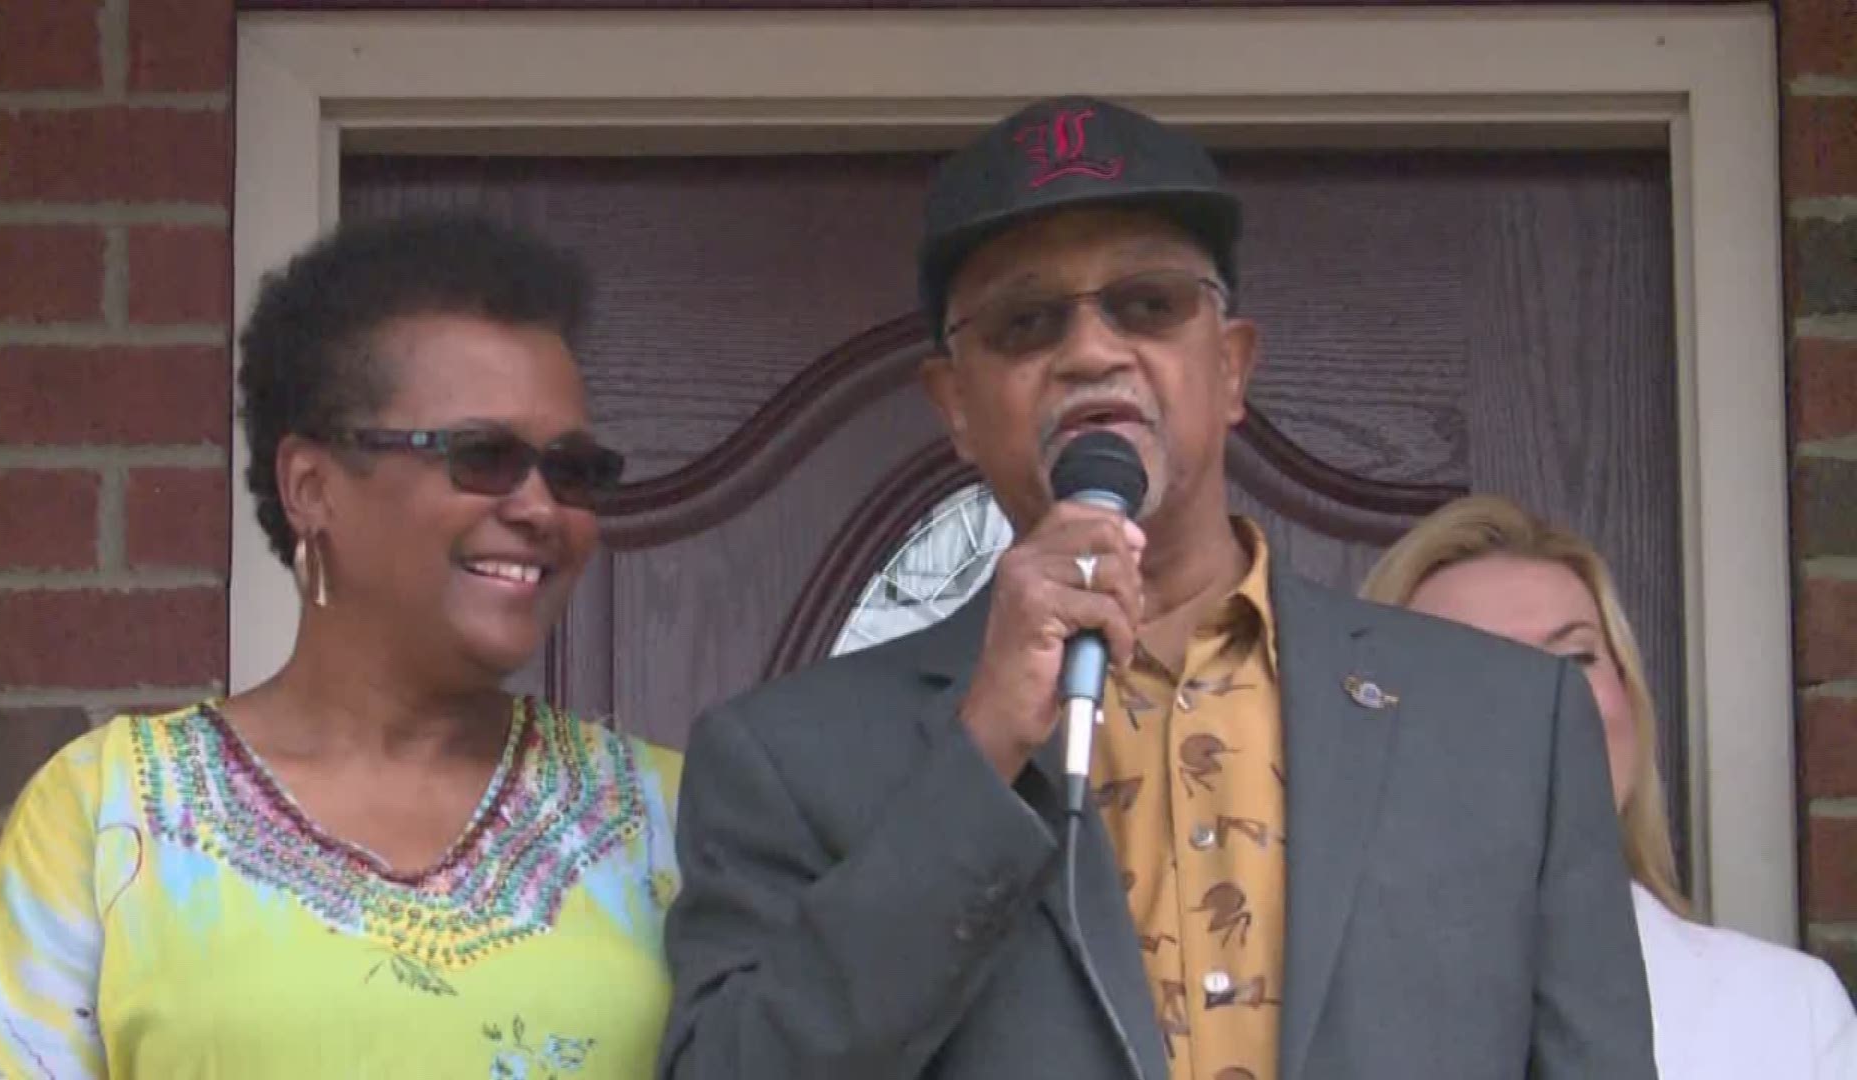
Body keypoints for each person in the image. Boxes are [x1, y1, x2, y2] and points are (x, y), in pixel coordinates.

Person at [657, 96, 1654, 1079]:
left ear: (1229, 368)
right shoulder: (787, 761)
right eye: (1025, 321)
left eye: (1147, 305)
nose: (1090, 352)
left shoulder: (1506, 723)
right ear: (955, 405)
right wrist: (981, 749)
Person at [0, 214, 681, 1078]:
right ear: (311, 486)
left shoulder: (668, 820)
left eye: (573, 470)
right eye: (482, 456)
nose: (541, 508)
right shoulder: (114, 814)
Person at [1363, 493, 1857, 1079]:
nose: (1540, 707)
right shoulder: (1303, 1008)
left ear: (1629, 699)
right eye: (1476, 665)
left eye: (1572, 660)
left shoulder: (1784, 1012)